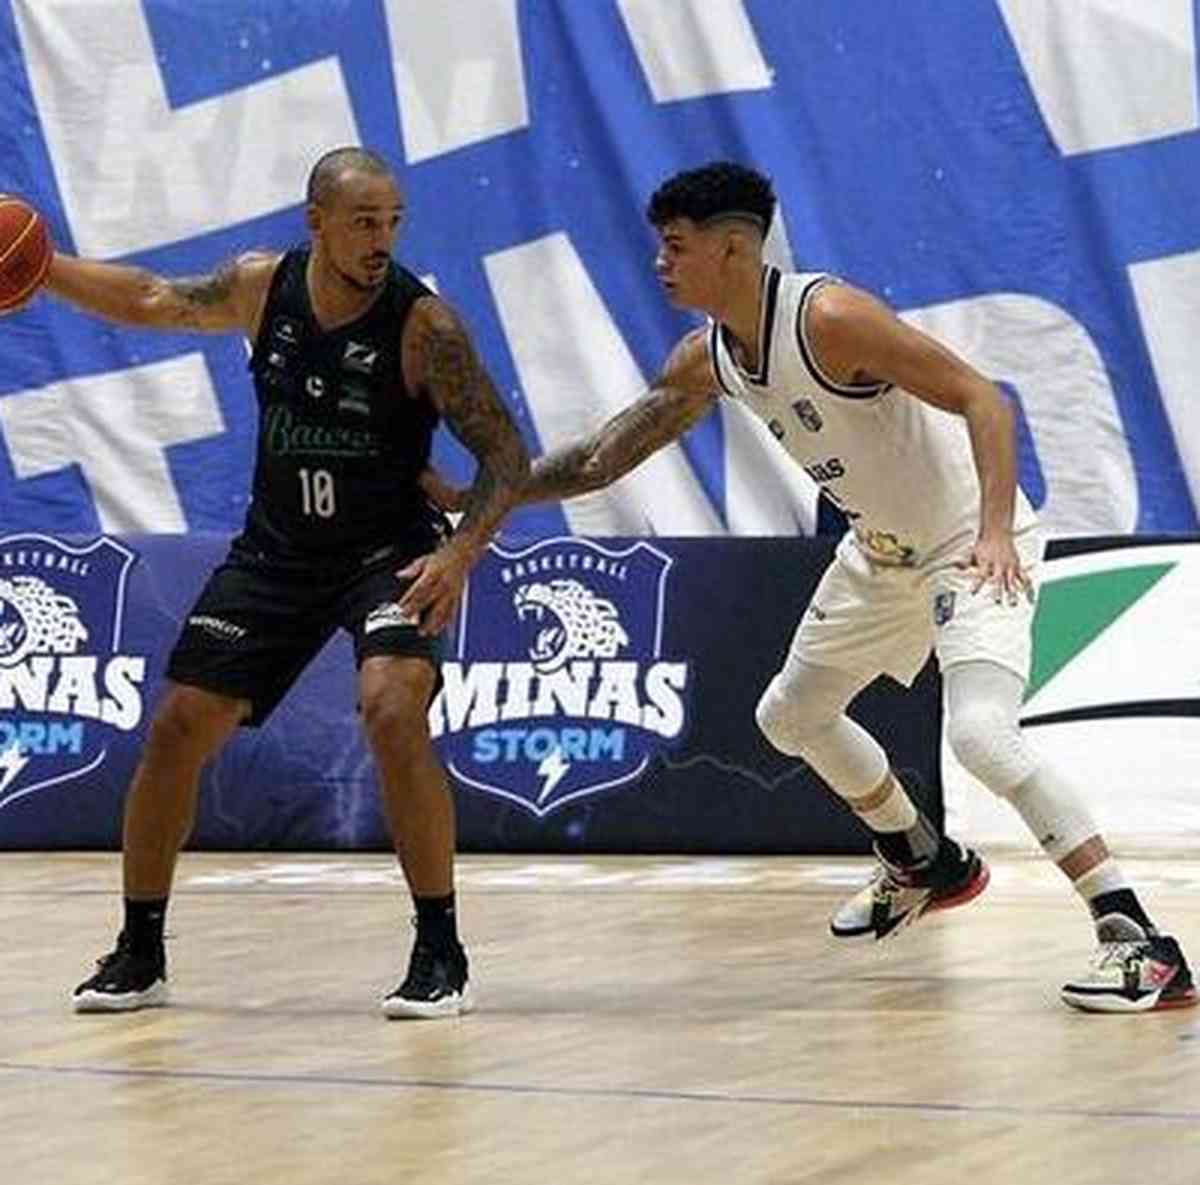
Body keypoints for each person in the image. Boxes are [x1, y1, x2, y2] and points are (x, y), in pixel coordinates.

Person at [518, 161, 1195, 1013]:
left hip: (967, 541)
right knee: (789, 716)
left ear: (732, 249)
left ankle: (1139, 941)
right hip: (880, 555)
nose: (659, 262)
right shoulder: (708, 356)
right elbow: (601, 458)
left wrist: (992, 530)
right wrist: (498, 492)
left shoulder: (830, 318)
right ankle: (922, 859)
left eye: (676, 246)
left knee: (983, 735)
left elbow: (984, 400)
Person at [41, 146, 530, 1019]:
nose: (381, 240)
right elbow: (152, 298)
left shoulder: (425, 327)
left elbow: (504, 453)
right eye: (363, 222)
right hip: (276, 553)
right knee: (178, 726)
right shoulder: (264, 287)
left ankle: (440, 946)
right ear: (318, 223)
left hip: (387, 552)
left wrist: (459, 553)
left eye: (392, 223)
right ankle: (141, 949)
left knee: (391, 709)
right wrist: (43, 268)